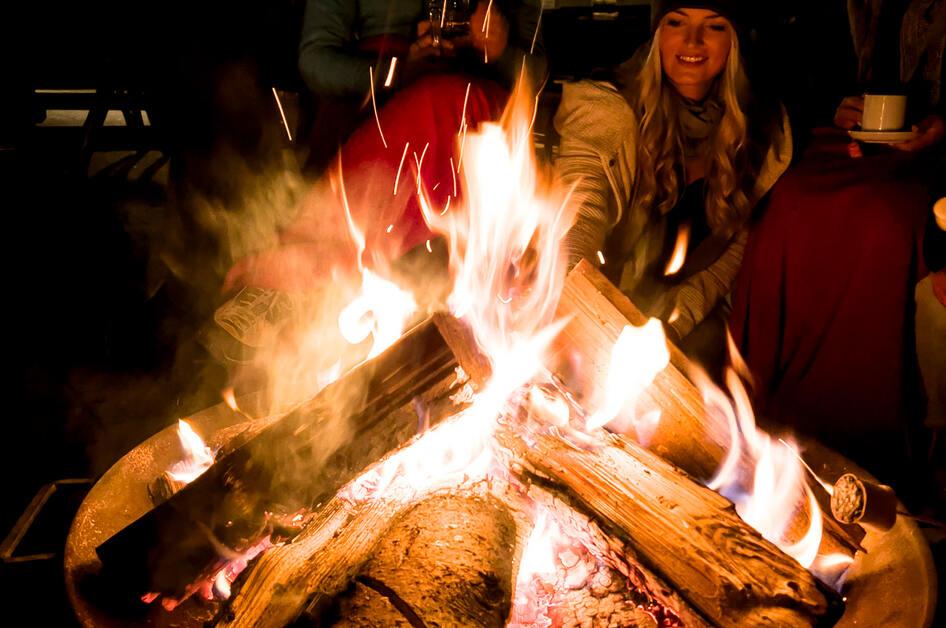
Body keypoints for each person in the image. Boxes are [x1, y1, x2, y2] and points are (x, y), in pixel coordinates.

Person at [728, 0, 945, 494]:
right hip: (843, 140)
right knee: (786, 205)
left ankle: (865, 435)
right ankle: (766, 413)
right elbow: (793, 67)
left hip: (931, 153)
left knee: (885, 222)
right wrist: (831, 103)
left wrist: (942, 124)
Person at [553, 0, 791, 374]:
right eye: (676, 22)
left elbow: (730, 259)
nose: (692, 40)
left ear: (734, 41)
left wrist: (667, 332)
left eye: (714, 26)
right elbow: (581, 205)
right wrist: (568, 298)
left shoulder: (761, 134)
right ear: (657, 35)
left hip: (685, 321)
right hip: (598, 305)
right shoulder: (607, 107)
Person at [296, 0, 545, 175]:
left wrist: (500, 51)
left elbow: (536, 73)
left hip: (475, 113)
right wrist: (396, 73)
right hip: (374, 106)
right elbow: (315, 61)